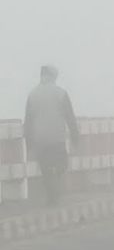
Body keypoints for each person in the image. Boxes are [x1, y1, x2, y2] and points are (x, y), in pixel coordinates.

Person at [24, 65, 79, 206]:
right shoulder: (61, 93)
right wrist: (75, 136)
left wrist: (29, 143)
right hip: (57, 138)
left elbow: (28, 120)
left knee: (46, 170)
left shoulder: (32, 94)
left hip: (40, 140)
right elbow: (70, 117)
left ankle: (51, 198)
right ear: (53, 76)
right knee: (62, 165)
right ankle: (56, 188)